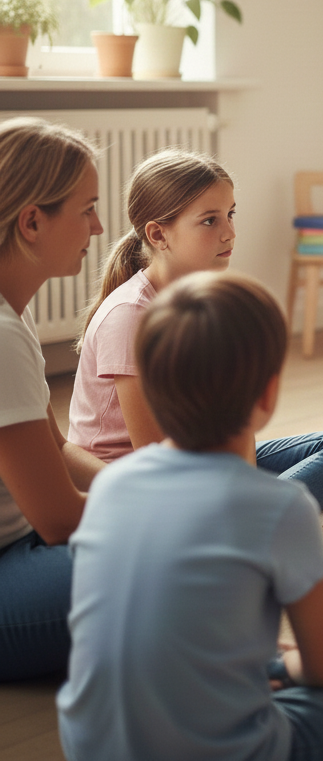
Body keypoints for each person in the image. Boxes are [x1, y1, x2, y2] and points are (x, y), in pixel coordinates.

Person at [58, 271, 323, 761]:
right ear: (267, 396)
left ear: (153, 391)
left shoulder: (109, 487)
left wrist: (274, 665)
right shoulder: (282, 506)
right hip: (229, 749)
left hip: (88, 744)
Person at [68, 149, 323, 550]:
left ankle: (260, 531)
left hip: (196, 459)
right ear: (158, 235)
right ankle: (283, 532)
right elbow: (156, 457)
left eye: (230, 214)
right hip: (145, 482)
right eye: (210, 220)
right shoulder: (130, 316)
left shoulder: (202, 299)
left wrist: (237, 471)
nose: (229, 232)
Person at [0, 117, 106, 680]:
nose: (99, 226)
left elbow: (56, 447)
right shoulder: (1, 336)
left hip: (26, 548)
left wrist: (139, 484)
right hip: (13, 565)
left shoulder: (14, 316)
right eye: (87, 209)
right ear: (32, 221)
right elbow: (62, 519)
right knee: (167, 558)